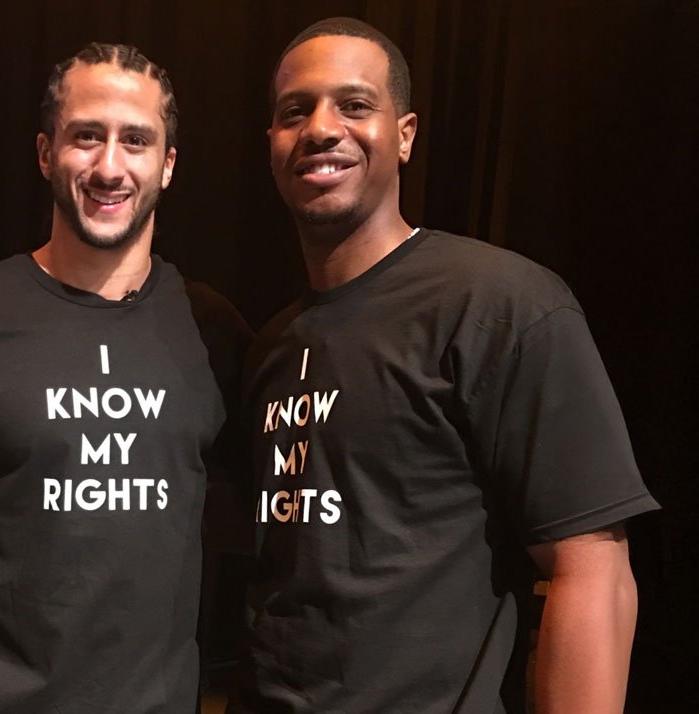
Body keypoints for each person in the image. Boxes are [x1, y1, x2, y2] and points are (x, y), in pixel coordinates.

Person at [228, 17, 659, 714]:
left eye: (354, 104)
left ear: (405, 135)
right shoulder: (272, 345)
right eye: (295, 111)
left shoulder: (500, 304)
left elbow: (593, 571)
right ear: (272, 143)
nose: (322, 128)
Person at [0, 42, 249, 713]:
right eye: (86, 136)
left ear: (168, 164)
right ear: (44, 152)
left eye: (136, 140)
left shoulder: (211, 333)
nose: (109, 166)